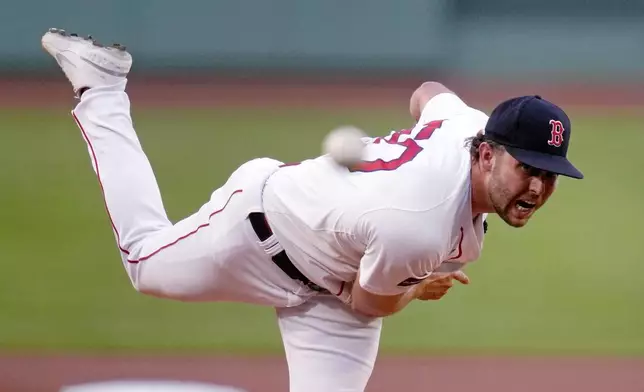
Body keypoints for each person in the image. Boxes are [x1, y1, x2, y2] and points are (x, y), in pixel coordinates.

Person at [41, 28, 583, 392]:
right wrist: (417, 286)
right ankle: (103, 86)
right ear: (487, 154)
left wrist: (415, 142)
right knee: (144, 264)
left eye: (548, 173)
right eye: (527, 168)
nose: (537, 186)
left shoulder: (469, 125)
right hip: (261, 232)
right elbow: (372, 305)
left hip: (338, 281)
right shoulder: (419, 225)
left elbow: (430, 91)